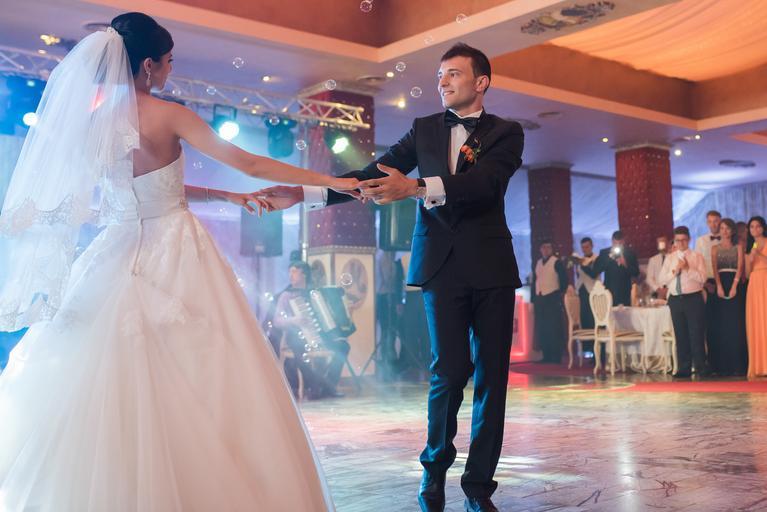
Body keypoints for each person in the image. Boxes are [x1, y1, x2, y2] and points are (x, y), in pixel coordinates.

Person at [0, 12, 359, 511]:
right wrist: (334, 181)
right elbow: (249, 163)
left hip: (113, 250)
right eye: (168, 61)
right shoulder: (169, 114)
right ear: (148, 65)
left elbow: (140, 189)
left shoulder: (94, 123)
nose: (171, 70)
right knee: (204, 370)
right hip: (173, 249)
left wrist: (225, 197)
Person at [256, 42, 524, 512]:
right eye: (440, 75)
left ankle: (478, 488)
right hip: (440, 266)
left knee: (492, 379)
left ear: (481, 82)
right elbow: (370, 175)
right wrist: (307, 194)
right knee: (448, 372)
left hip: (492, 267)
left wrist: (415, 187)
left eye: (454, 73)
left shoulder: (506, 132)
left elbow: (485, 184)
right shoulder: (424, 129)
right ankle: (433, 471)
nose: (443, 81)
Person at [271, 261, 350, 399]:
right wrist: (293, 320)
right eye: (289, 272)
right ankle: (315, 386)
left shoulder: (315, 293)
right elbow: (276, 321)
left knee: (343, 346)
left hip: (320, 335)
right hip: (297, 336)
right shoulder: (286, 295)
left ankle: (328, 385)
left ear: (304, 274)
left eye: (294, 271)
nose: (290, 275)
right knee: (299, 351)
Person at [658, 226, 708, 378]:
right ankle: (684, 368)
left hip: (693, 298)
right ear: (674, 241)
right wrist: (675, 271)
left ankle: (700, 367)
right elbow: (662, 280)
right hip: (675, 299)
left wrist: (687, 268)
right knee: (680, 335)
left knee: (696, 333)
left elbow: (703, 279)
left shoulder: (697, 256)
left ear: (689, 240)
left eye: (684, 240)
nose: (680, 243)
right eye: (677, 240)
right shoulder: (670, 258)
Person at [709, 218, 747, 376]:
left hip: (735, 284)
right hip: (720, 284)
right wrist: (718, 286)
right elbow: (715, 269)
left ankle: (738, 365)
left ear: (732, 231)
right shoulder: (714, 248)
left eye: (727, 228)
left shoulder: (739, 247)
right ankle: (721, 366)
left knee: (735, 324)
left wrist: (734, 286)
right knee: (721, 324)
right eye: (722, 228)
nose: (724, 231)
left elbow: (740, 267)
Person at [531, 241, 568, 363]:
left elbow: (564, 279)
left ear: (551, 249)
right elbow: (534, 282)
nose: (546, 250)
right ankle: (546, 355)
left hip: (552, 298)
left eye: (548, 247)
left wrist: (559, 293)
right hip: (540, 299)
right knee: (543, 328)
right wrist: (532, 300)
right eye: (544, 247)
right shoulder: (538, 263)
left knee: (554, 328)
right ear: (540, 249)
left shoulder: (556, 262)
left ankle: (556, 356)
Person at [588, 230, 639, 306]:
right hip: (609, 292)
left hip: (625, 292)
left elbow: (636, 273)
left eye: (620, 243)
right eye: (615, 243)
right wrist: (608, 259)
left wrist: (625, 264)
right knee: (610, 313)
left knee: (626, 313)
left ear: (624, 242)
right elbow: (595, 272)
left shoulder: (630, 253)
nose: (617, 246)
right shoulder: (605, 253)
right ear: (612, 241)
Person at [746, 216, 767, 378]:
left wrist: (759, 255)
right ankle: (759, 365)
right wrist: (750, 260)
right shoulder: (749, 247)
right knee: (757, 322)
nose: (755, 229)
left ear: (763, 228)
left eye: (758, 226)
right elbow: (747, 274)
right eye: (752, 227)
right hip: (754, 284)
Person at [574, 237, 598, 329]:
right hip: (582, 291)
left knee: (593, 318)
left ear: (592, 246)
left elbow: (593, 274)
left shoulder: (597, 258)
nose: (585, 249)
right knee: (584, 318)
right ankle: (585, 338)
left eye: (587, 247)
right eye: (583, 247)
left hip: (593, 290)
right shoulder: (580, 259)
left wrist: (582, 265)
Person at [646, 235, 671, 300]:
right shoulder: (653, 260)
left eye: (663, 242)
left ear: (668, 243)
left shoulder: (673, 258)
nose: (662, 245)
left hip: (671, 291)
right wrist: (658, 289)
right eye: (660, 243)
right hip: (656, 292)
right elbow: (649, 278)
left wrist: (667, 290)